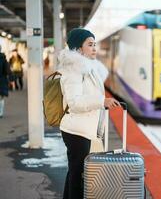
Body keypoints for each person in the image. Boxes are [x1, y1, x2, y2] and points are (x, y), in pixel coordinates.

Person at [57, 28, 120, 199]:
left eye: (95, 44)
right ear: (78, 48)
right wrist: (101, 101)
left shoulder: (86, 69)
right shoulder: (73, 71)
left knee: (75, 173)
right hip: (76, 131)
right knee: (79, 176)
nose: (94, 48)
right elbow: (75, 103)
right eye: (90, 45)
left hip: (83, 128)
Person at [0, 45, 11, 118]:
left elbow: (7, 70)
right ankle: (0, 112)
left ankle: (0, 112)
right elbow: (7, 70)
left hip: (1, 81)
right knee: (1, 97)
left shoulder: (3, 58)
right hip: (2, 80)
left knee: (1, 97)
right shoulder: (3, 58)